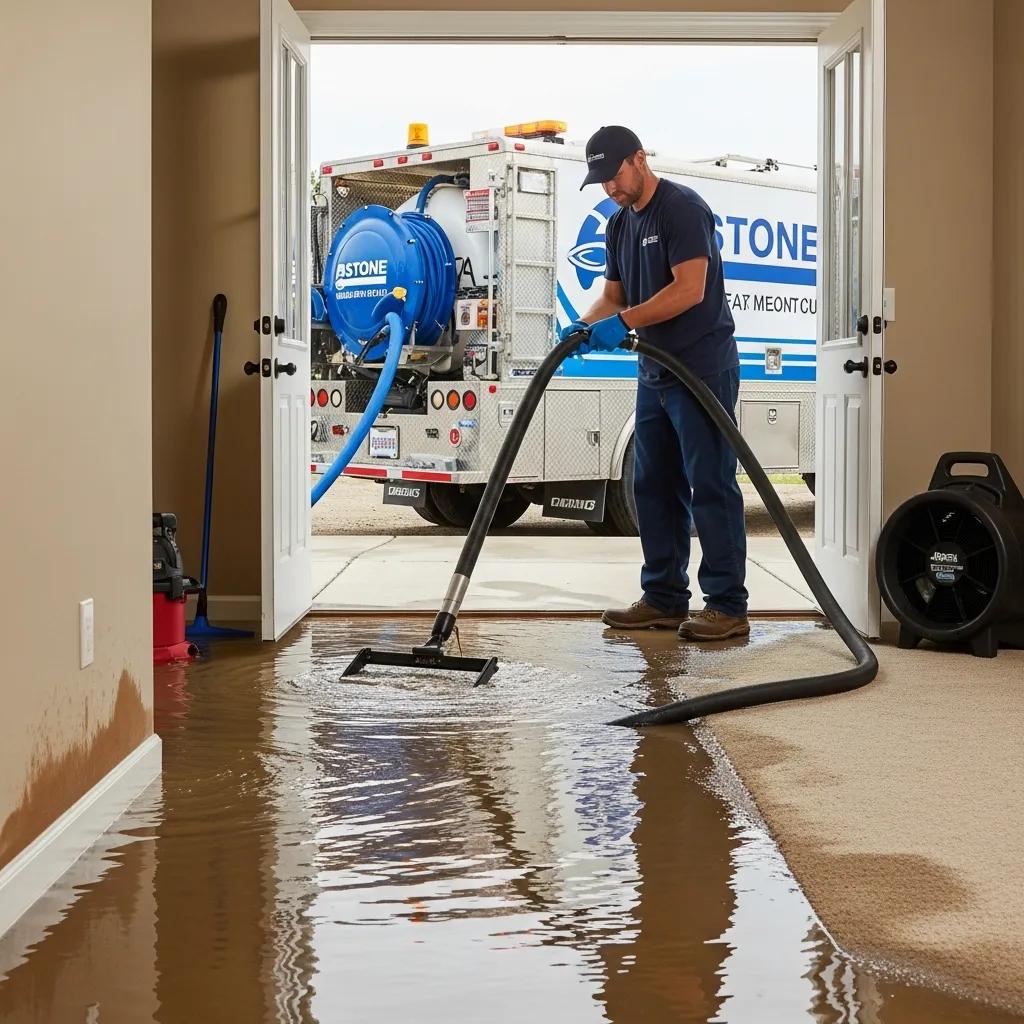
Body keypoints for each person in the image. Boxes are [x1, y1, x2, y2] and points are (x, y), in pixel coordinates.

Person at [564, 125, 749, 641]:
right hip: (654, 371)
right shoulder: (619, 225)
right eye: (599, 180)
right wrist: (584, 323)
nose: (608, 188)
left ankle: (728, 606)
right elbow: (614, 296)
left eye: (614, 175)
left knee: (710, 483)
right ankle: (664, 598)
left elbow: (690, 290)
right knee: (652, 486)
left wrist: (622, 324)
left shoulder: (683, 208)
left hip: (701, 366)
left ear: (639, 159)